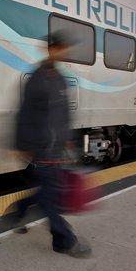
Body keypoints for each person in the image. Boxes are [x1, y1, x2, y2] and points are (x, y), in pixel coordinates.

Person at [13, 31, 91, 258]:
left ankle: (20, 209)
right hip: (41, 146)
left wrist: (68, 140)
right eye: (61, 49)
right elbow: (24, 114)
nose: (65, 53)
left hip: (57, 148)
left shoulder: (59, 78)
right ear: (51, 49)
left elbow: (64, 113)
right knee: (50, 198)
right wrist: (21, 144)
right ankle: (64, 240)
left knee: (48, 193)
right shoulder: (37, 79)